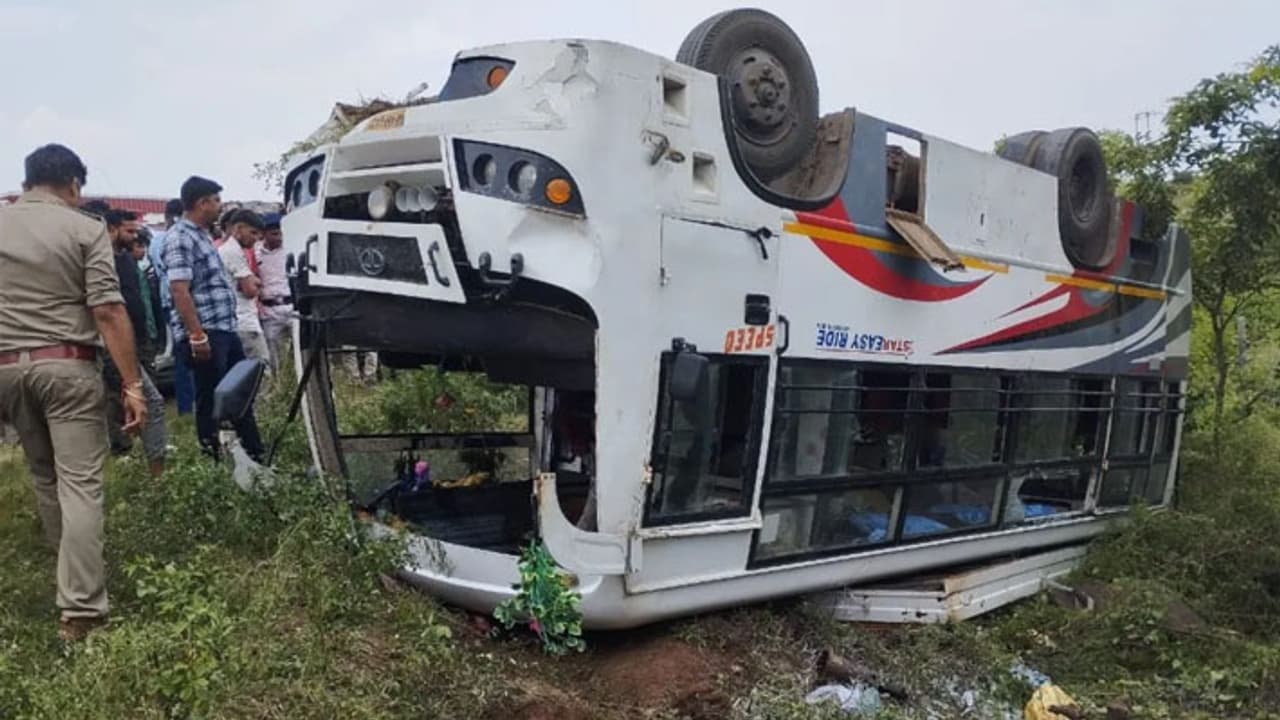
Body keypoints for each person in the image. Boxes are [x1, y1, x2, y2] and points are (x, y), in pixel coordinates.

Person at [0, 144, 147, 642]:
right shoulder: (83, 229)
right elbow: (107, 310)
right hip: (66, 368)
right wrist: (132, 385)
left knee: (45, 477)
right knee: (80, 484)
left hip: (8, 371)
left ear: (26, 182)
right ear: (72, 185)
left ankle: (71, 573)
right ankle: (81, 610)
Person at [163, 176, 264, 460]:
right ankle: (213, 457)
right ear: (202, 203)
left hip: (224, 327)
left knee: (239, 391)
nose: (220, 206)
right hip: (207, 331)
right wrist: (197, 335)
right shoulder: (181, 237)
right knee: (210, 396)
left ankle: (254, 453)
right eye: (216, 200)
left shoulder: (201, 235)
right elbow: (179, 289)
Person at [102, 209, 167, 476]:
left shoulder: (125, 259)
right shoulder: (105, 262)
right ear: (112, 229)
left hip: (137, 339)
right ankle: (149, 468)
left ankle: (149, 455)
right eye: (129, 231)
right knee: (144, 401)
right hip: (117, 344)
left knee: (142, 401)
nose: (135, 235)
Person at [149, 198, 195, 415]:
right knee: (185, 352)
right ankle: (188, 404)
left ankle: (187, 404)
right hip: (179, 299)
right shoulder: (175, 238)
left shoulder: (156, 241)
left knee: (180, 352)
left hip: (167, 299)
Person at [217, 209, 271, 367]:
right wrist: (257, 283)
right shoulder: (233, 252)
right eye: (252, 233)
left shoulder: (228, 251)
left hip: (235, 321)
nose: (255, 239)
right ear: (238, 229)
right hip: (245, 322)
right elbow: (250, 290)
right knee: (260, 370)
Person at [256, 213, 292, 372]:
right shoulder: (255, 254)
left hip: (291, 307)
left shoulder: (290, 249)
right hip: (269, 311)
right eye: (274, 234)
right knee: (276, 358)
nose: (279, 237)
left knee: (301, 351)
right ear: (264, 234)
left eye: (282, 233)